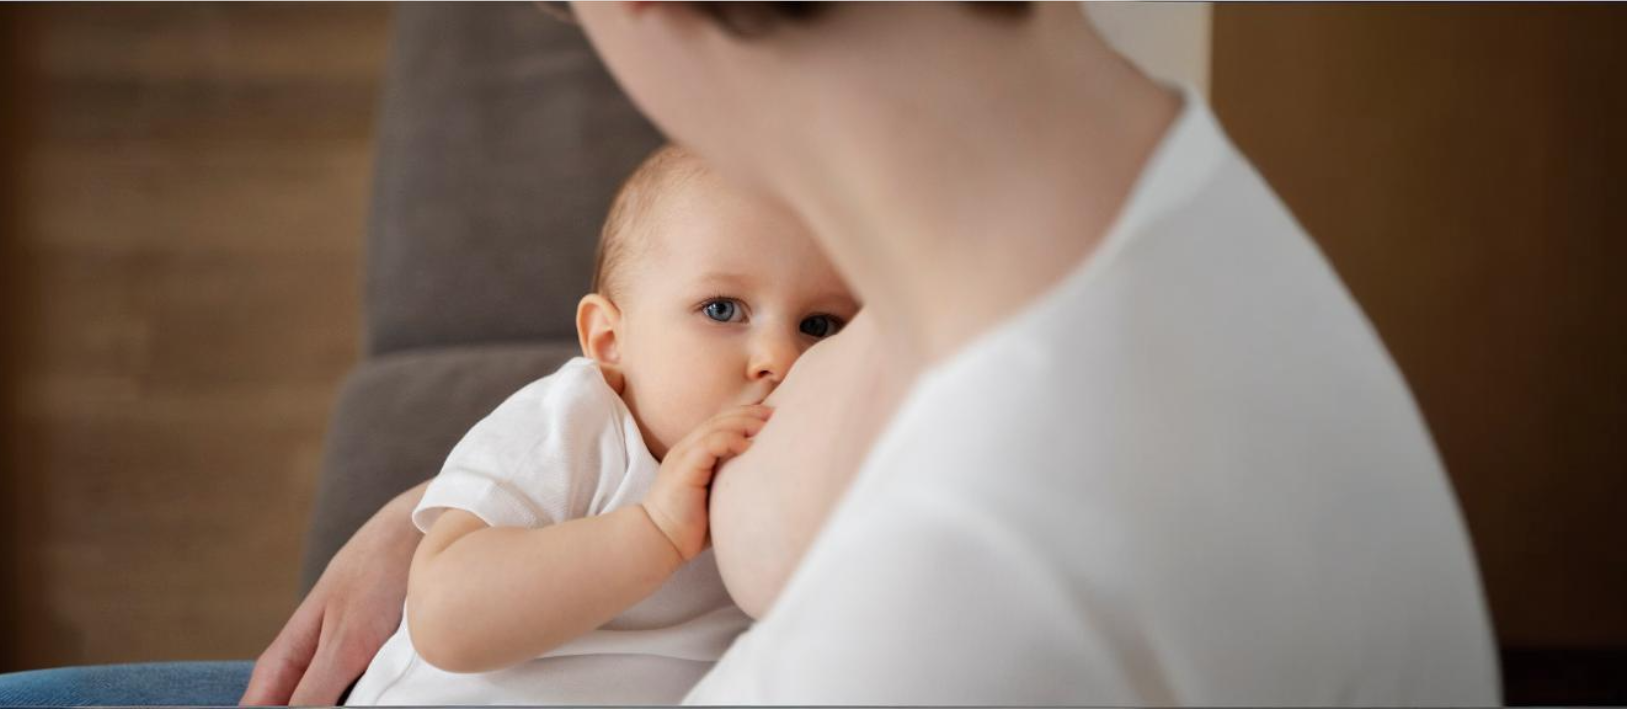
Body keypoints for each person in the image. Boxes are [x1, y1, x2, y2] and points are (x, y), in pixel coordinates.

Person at [248, 2, 1500, 706]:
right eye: (726, 314)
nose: (772, 360)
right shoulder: (1166, 207)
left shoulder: (950, 610)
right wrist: (453, 510)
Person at [341, 143, 855, 705]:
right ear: (610, 341)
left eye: (819, 324)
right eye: (722, 310)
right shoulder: (572, 425)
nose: (779, 358)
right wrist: (652, 532)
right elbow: (444, 620)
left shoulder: (815, 475)